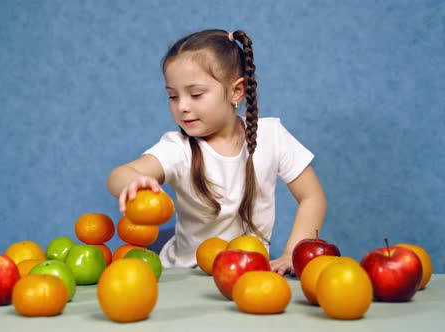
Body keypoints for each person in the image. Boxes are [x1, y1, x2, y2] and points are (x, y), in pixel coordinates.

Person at [106, 29, 327, 276]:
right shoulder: (178, 148)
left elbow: (312, 197)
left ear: (236, 91)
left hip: (247, 274)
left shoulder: (272, 136)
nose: (182, 107)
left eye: (196, 94)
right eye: (172, 96)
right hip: (185, 276)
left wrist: (290, 254)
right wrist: (134, 182)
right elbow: (119, 175)